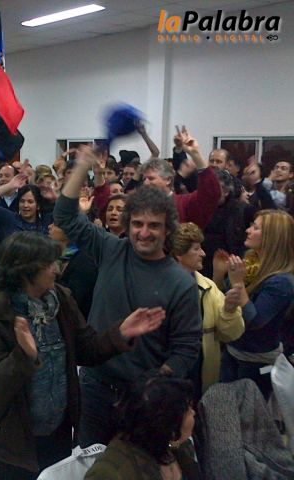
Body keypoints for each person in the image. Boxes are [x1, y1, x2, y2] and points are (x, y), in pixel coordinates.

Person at [0, 232, 164, 478]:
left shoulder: (61, 300)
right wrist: (23, 356)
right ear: (25, 270)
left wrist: (120, 333)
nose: (57, 269)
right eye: (49, 264)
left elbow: (87, 350)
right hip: (11, 447)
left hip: (57, 436)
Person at [54, 146, 201, 447]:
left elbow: (186, 350)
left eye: (154, 225)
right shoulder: (111, 249)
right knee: (89, 463)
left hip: (142, 399)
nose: (144, 232)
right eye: (137, 224)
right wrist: (81, 167)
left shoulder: (181, 283)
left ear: (167, 230)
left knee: (134, 466)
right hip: (94, 387)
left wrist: (152, 385)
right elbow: (65, 215)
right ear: (128, 224)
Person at [217, 210, 294, 399]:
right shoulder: (251, 263)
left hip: (257, 363)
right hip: (233, 352)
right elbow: (224, 299)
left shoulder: (282, 282)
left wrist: (238, 282)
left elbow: (254, 320)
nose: (248, 230)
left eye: (255, 228)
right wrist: (219, 273)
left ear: (271, 238)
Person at [172, 223, 244, 397]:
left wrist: (229, 311)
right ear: (179, 254)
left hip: (201, 374)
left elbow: (232, 334)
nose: (203, 253)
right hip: (171, 371)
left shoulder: (208, 286)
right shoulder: (160, 286)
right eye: (196, 249)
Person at [85, 375, 199, 480]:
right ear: (166, 423)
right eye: (187, 409)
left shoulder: (179, 447)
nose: (193, 413)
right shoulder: (109, 473)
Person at [140, 127, 220, 229]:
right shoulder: (139, 205)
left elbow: (211, 193)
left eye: (151, 178)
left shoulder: (184, 203)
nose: (146, 183)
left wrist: (195, 154)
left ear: (168, 180)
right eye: (144, 179)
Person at [0, 173, 52, 242]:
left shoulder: (46, 221)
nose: (25, 205)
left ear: (38, 205)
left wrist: (54, 197)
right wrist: (10, 185)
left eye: (30, 202)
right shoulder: (10, 218)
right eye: (22, 201)